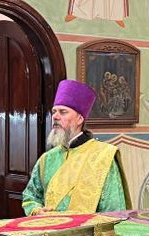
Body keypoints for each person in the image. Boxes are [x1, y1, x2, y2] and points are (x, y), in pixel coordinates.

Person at [21, 79, 129, 214]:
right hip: (49, 227)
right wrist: (37, 210)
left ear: (80, 119)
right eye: (54, 111)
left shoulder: (103, 156)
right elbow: (30, 196)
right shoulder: (47, 159)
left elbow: (114, 210)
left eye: (63, 112)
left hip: (88, 228)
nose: (55, 116)